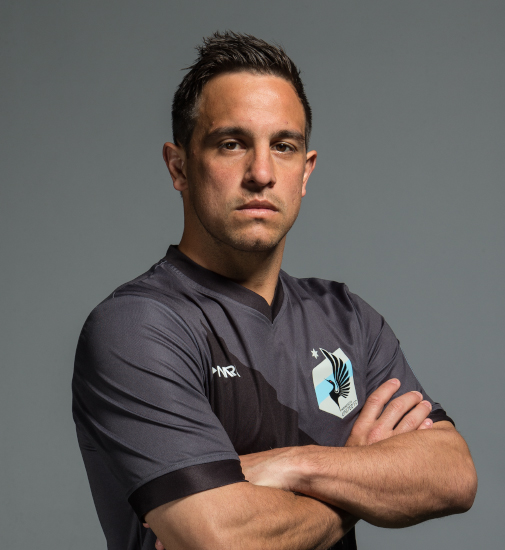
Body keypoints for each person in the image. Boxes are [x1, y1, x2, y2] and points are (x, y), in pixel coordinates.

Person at [72, 31, 477, 550]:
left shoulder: (349, 320)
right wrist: (359, 474)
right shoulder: (138, 327)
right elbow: (221, 540)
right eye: (231, 144)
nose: (261, 173)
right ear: (179, 166)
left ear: (305, 172)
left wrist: (296, 464)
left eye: (283, 147)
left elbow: (452, 473)